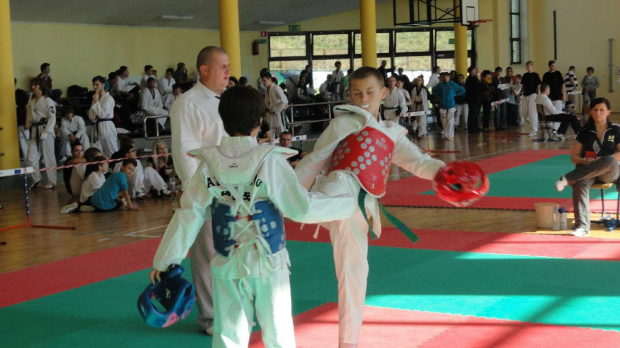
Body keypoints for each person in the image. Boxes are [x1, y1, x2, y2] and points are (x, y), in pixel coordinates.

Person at [150, 86, 354, 347]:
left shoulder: (209, 162)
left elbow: (189, 212)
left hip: (226, 261)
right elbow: (300, 209)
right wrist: (347, 204)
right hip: (268, 261)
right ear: (259, 121)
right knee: (278, 333)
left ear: (223, 119)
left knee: (228, 335)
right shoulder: (269, 159)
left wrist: (166, 260)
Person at [295, 67, 446, 348]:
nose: (363, 98)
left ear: (384, 93)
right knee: (308, 207)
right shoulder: (343, 124)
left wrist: (445, 174)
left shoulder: (391, 132)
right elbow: (317, 158)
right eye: (357, 92)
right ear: (349, 94)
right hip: (338, 187)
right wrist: (291, 187)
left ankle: (348, 343)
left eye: (370, 92)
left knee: (354, 270)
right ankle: (282, 200)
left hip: (362, 207)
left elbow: (419, 161)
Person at [170, 46, 230, 335]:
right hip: (205, 188)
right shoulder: (188, 103)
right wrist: (197, 194)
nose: (228, 72)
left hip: (232, 187)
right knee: (207, 255)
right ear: (204, 70)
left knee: (230, 253)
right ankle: (210, 317)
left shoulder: (225, 101)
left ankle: (230, 310)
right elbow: (185, 152)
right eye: (222, 66)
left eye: (228, 66)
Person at [555, 98, 617, 237]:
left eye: (601, 110)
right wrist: (584, 160)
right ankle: (582, 226)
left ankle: (567, 178)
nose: (598, 113)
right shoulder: (585, 131)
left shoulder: (616, 129)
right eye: (595, 109)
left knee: (609, 160)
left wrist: (601, 159)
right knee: (580, 182)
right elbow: (574, 157)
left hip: (610, 171)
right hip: (589, 171)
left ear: (608, 112)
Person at [26, 77, 57, 190]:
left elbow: (52, 118)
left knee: (49, 157)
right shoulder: (31, 100)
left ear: (40, 86)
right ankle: (36, 180)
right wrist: (28, 124)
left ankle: (52, 181)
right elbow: (30, 115)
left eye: (35, 85)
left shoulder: (48, 100)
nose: (32, 87)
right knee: (30, 158)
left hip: (45, 130)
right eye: (32, 85)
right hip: (35, 130)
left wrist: (47, 131)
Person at [89, 75, 118, 157]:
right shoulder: (96, 98)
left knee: (112, 153)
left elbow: (102, 114)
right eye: (93, 85)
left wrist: (96, 102)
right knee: (95, 154)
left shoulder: (109, 98)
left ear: (103, 85)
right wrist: (96, 103)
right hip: (96, 128)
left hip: (107, 126)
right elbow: (91, 116)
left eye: (97, 84)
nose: (95, 87)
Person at [432, 72, 466, 141]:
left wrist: (456, 94)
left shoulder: (453, 84)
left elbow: (462, 90)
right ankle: (446, 134)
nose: (446, 78)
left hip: (451, 105)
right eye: (444, 76)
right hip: (442, 105)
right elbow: (433, 90)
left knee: (450, 121)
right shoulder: (440, 85)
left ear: (449, 77)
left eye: (447, 76)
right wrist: (438, 96)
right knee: (444, 122)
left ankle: (450, 135)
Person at [261, 71, 288, 137]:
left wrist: (275, 109)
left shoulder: (276, 88)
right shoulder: (266, 91)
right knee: (269, 137)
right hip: (269, 116)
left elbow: (284, 101)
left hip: (278, 115)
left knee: (283, 136)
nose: (263, 83)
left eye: (264, 81)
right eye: (262, 81)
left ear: (269, 79)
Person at [521, 61, 542, 137]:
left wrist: (539, 97)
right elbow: (523, 86)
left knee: (532, 112)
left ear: (532, 66)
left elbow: (538, 87)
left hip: (533, 94)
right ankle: (535, 123)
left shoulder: (535, 75)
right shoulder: (525, 75)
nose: (527, 67)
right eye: (526, 66)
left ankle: (534, 130)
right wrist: (519, 94)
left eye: (528, 66)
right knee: (524, 113)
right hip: (525, 95)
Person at [15, 78, 30, 160]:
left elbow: (27, 107)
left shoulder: (21, 93)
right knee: (20, 144)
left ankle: (30, 164)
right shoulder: (8, 93)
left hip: (22, 122)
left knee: (26, 143)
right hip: (14, 123)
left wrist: (27, 121)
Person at [465, 66, 482, 133]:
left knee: (476, 113)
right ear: (471, 71)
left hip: (477, 98)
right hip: (473, 99)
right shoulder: (469, 79)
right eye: (475, 70)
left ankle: (475, 126)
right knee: (472, 113)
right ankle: (471, 128)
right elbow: (475, 87)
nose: (476, 71)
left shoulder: (475, 77)